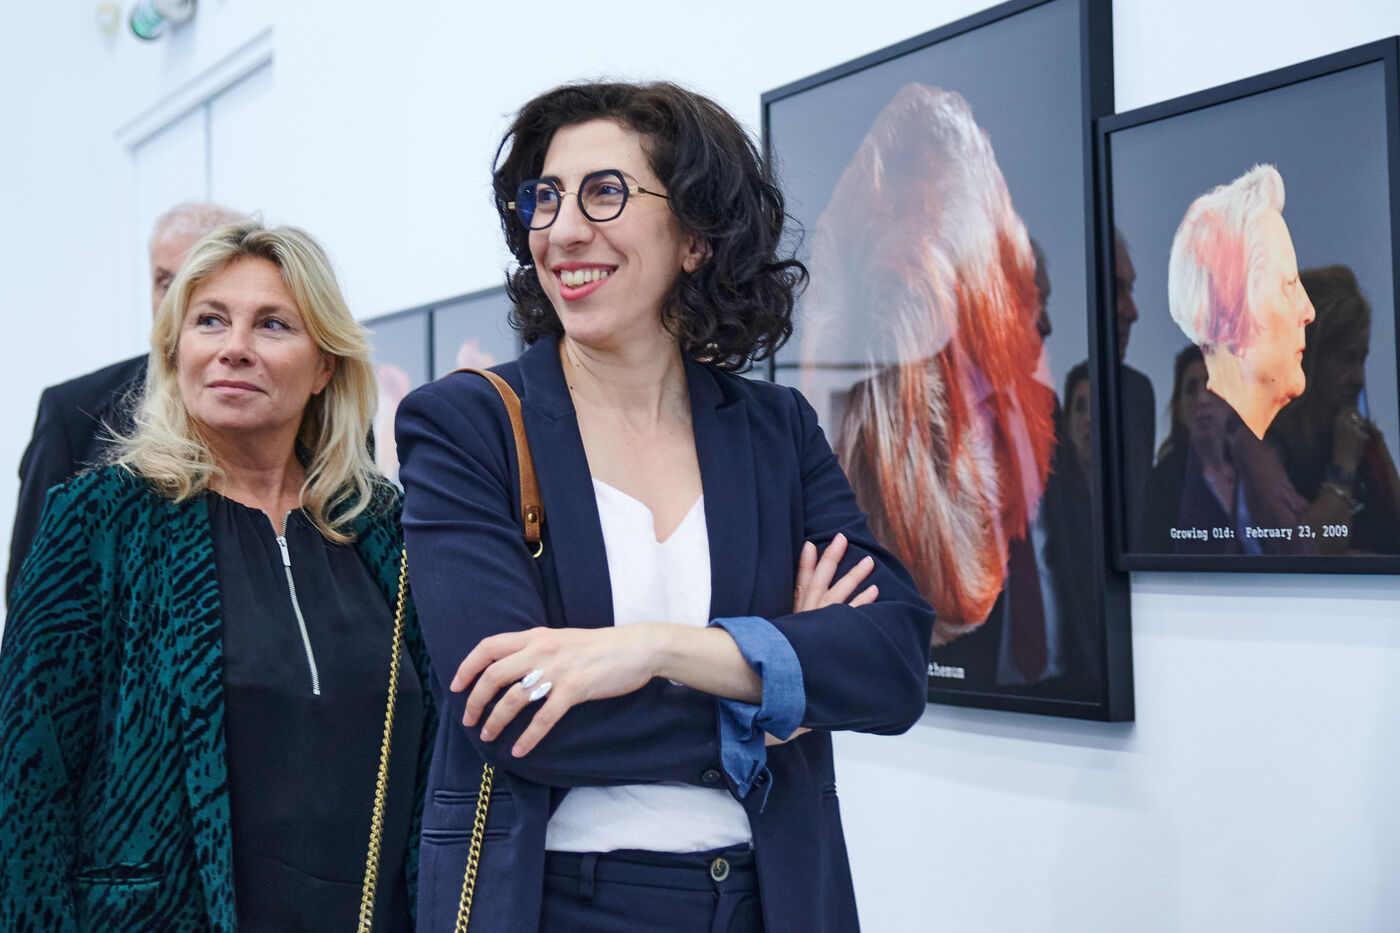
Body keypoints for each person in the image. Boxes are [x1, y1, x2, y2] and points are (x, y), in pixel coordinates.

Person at [396, 81, 934, 933]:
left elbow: (894, 663)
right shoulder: (468, 425)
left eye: (605, 192)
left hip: (771, 899)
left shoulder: (775, 430)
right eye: (546, 197)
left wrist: (652, 649)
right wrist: (775, 688)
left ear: (695, 237)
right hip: (560, 905)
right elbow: (516, 715)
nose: (564, 229)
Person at [0, 220, 435, 931]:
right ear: (177, 352)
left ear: (325, 366)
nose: (235, 346)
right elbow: (26, 779)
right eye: (210, 320)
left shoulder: (384, 528)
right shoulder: (100, 520)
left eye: (272, 324)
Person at [7, 200, 243, 601]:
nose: (173, 301)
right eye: (164, 282)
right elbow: (32, 594)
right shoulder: (74, 411)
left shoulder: (291, 408)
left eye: (195, 282)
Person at [1167, 164, 1316, 440]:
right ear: (1229, 317)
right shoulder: (1208, 463)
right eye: (1288, 286)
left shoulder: (1276, 453)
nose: (1309, 311)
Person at [1266, 265, 1400, 554]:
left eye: (1362, 359)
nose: (1359, 379)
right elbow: (1313, 549)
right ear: (1308, 358)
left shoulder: (1366, 439)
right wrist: (1344, 465)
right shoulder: (1270, 449)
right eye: (1346, 359)